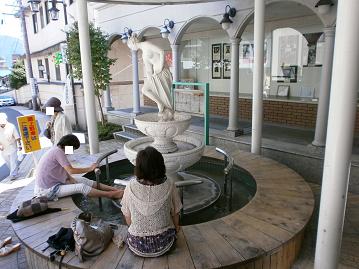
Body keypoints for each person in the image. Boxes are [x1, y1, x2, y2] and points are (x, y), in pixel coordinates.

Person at [121, 146, 182, 257]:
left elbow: (128, 218)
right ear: (160, 165)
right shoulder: (170, 184)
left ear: (139, 167)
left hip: (136, 245)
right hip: (164, 244)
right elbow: (176, 212)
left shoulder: (130, 186)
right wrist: (176, 228)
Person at [34, 134, 123, 200]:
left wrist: (70, 178)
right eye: (73, 149)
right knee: (81, 187)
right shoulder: (58, 152)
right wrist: (90, 168)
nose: (72, 151)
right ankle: (111, 195)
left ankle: (115, 189)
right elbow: (71, 170)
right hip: (47, 190)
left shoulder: (56, 150)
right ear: (68, 145)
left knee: (84, 180)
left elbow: (64, 169)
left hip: (53, 183)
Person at [127, 34, 174, 121]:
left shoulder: (146, 44)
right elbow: (149, 70)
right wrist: (149, 80)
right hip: (156, 75)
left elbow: (161, 51)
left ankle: (167, 113)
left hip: (163, 72)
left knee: (165, 95)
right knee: (145, 90)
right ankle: (160, 103)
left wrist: (160, 66)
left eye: (130, 47)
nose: (131, 49)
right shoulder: (143, 55)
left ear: (133, 43)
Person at [0, 113, 21, 180]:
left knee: (13, 161)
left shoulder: (12, 126)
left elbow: (17, 137)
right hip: (3, 148)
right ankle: (15, 169)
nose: (2, 125)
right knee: (8, 162)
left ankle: (13, 175)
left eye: (3, 124)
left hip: (12, 146)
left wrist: (20, 145)